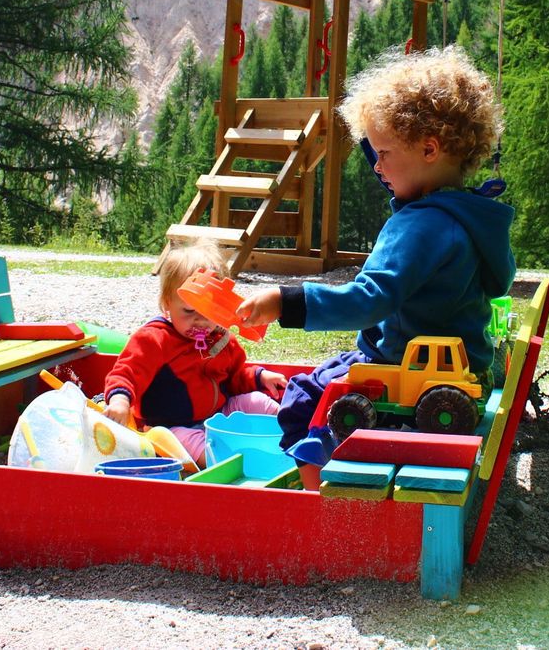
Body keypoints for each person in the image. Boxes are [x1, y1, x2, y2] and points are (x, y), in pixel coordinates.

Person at [236, 45, 516, 486]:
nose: (377, 166)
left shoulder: (419, 224)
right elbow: (500, 280)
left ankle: (320, 504)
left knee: (307, 396)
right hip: (466, 360)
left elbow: (370, 300)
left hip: (401, 363)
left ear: (429, 149)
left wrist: (285, 301)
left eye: (383, 152)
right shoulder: (473, 216)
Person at [103, 239, 287, 466]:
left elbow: (233, 379)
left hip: (216, 415)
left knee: (259, 401)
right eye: (189, 310)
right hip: (170, 427)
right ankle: (236, 464)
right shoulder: (155, 339)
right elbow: (127, 372)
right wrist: (120, 400)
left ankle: (291, 434)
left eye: (209, 312)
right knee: (199, 446)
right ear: (167, 303)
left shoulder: (220, 340)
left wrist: (258, 377)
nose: (199, 320)